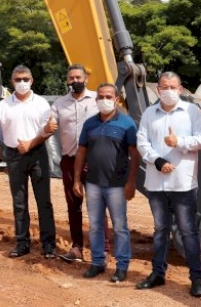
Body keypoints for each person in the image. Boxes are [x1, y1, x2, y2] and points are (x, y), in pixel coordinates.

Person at [0, 65, 56, 259]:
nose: (22, 83)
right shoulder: (4, 104)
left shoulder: (41, 103)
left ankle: (48, 245)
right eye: (18, 79)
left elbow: (48, 130)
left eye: (25, 79)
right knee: (19, 202)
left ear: (32, 80)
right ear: (12, 82)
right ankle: (22, 243)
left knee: (44, 202)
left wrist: (30, 143)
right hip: (14, 156)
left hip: (37, 154)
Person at [135, 72, 201, 296]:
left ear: (180, 89)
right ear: (158, 89)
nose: (168, 90)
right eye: (164, 87)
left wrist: (180, 142)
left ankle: (196, 278)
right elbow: (142, 141)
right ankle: (158, 273)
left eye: (172, 86)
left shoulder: (191, 111)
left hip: (183, 183)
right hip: (157, 183)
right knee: (160, 230)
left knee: (188, 231)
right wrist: (156, 160)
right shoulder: (149, 113)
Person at [74, 83, 139, 283]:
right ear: (96, 100)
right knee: (94, 225)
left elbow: (135, 154)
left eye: (109, 96)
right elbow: (82, 151)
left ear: (117, 99)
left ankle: (121, 266)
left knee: (120, 226)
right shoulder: (90, 124)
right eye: (101, 96)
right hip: (93, 183)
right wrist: (77, 179)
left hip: (117, 185)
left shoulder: (127, 123)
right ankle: (97, 262)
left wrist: (131, 182)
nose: (104, 100)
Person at [44, 63, 100, 262]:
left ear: (86, 79)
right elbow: (50, 123)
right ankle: (77, 248)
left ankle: (101, 250)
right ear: (67, 81)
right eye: (71, 78)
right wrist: (48, 126)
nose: (75, 81)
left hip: (94, 161)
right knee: (73, 206)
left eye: (78, 77)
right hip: (69, 160)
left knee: (97, 206)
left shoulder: (98, 99)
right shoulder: (60, 103)